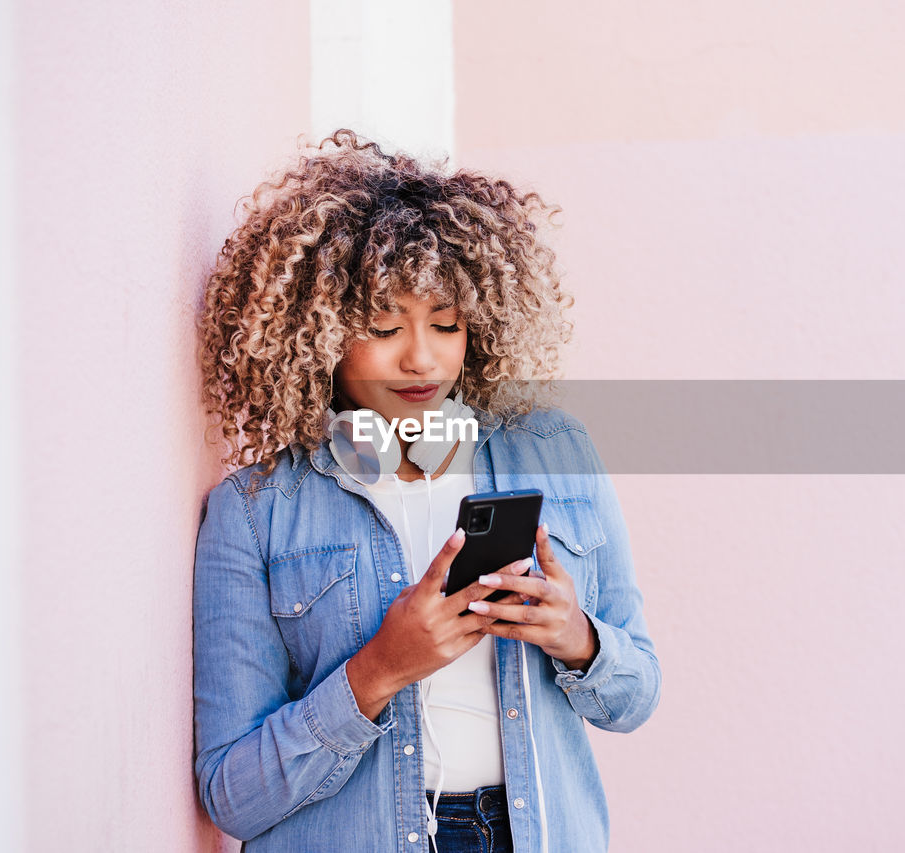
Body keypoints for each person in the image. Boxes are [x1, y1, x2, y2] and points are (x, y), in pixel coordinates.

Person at [193, 128, 660, 853]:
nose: (422, 357)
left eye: (445, 323)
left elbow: (638, 695)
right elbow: (232, 794)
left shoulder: (556, 452)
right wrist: (379, 669)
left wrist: (578, 638)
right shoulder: (254, 513)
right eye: (383, 326)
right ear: (315, 334)